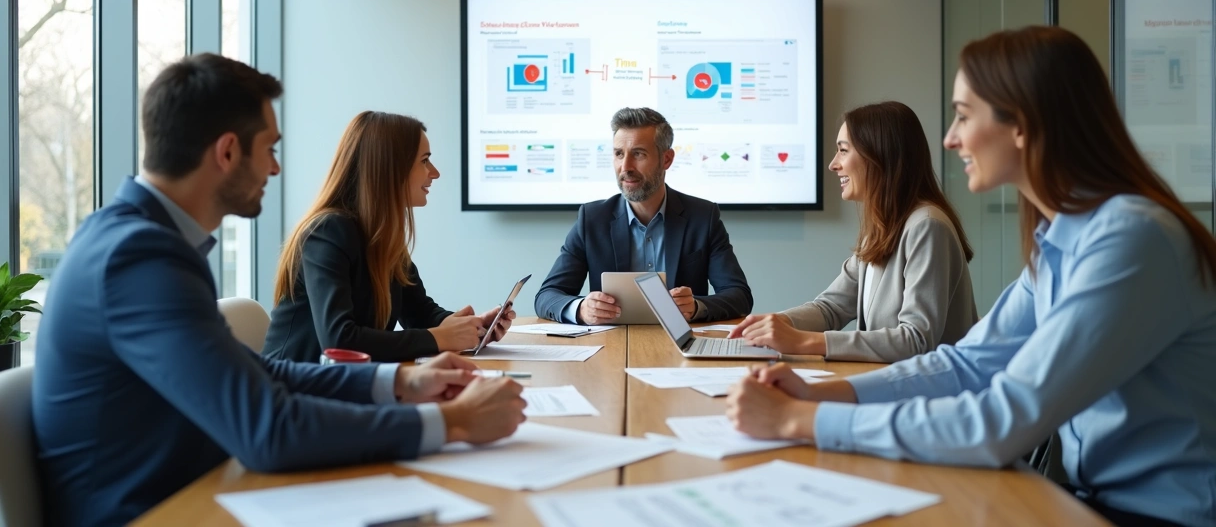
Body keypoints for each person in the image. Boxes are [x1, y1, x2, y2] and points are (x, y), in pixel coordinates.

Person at [726, 26, 1216, 527]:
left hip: (1160, 515)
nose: (950, 138)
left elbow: (1002, 418)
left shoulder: (1131, 239)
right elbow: (966, 366)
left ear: (1021, 124)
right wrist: (824, 393)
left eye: (963, 116)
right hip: (1087, 497)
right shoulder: (1059, 240)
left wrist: (801, 420)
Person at [32, 54, 526, 527]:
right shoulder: (138, 258)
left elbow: (255, 371)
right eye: (269, 149)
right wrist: (453, 424)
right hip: (158, 511)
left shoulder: (146, 242)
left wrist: (400, 384)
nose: (276, 168)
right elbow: (267, 429)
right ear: (227, 152)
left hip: (201, 488)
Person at [727, 101, 977, 362]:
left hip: (927, 394)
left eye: (843, 151)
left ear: (879, 156)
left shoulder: (926, 226)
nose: (833, 164)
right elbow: (831, 307)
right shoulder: (883, 227)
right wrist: (775, 323)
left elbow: (916, 340)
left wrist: (804, 341)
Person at [263, 111, 512, 363]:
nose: (434, 173)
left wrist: (472, 329)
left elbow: (418, 312)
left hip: (341, 386)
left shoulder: (382, 237)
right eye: (424, 161)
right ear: (390, 168)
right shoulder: (327, 232)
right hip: (292, 392)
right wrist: (440, 338)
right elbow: (339, 340)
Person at [534, 107, 752, 324]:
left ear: (666, 159)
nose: (625, 167)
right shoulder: (591, 219)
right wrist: (581, 308)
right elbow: (547, 296)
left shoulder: (703, 217)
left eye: (638, 154)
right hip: (610, 347)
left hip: (680, 346)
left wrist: (696, 307)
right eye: (619, 154)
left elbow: (739, 295)